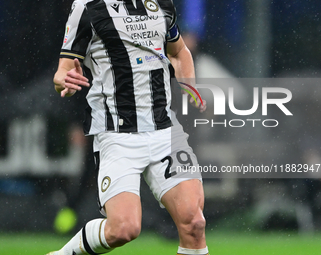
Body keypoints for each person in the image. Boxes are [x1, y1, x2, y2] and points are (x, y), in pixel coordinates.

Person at [47, 0, 208, 254]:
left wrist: (189, 85)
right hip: (117, 136)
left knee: (194, 223)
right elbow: (62, 71)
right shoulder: (87, 8)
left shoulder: (161, 4)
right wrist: (62, 81)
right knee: (123, 229)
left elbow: (179, 52)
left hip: (165, 131)